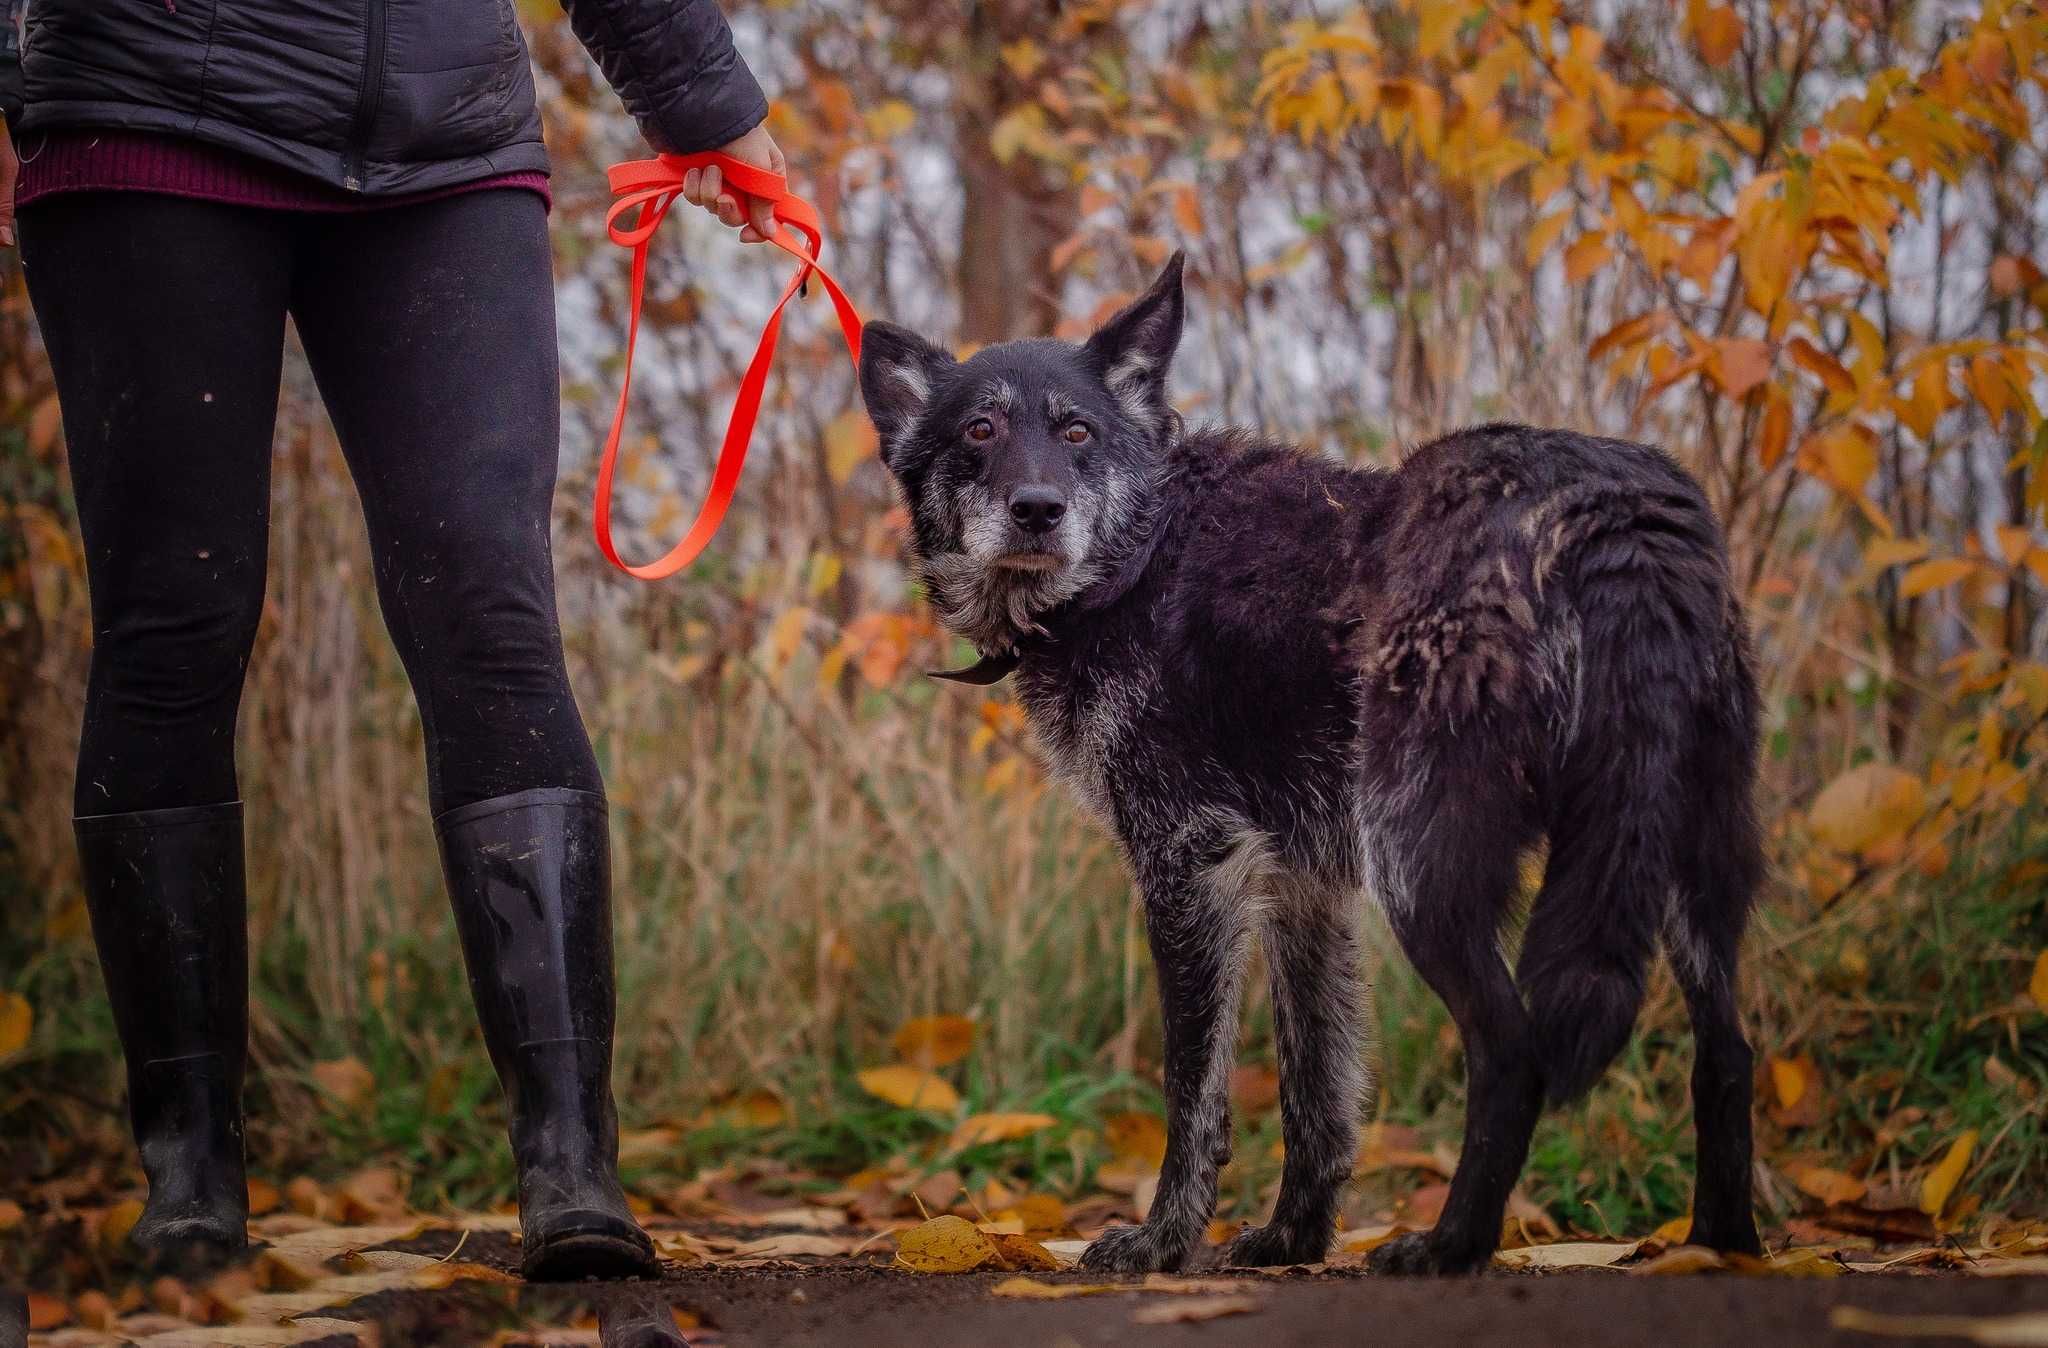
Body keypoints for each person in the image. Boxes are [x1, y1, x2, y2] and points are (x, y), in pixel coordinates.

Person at [0, 0, 779, 1281]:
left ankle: (572, 1162)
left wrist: (706, 106)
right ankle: (191, 1170)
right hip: (151, 114)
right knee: (175, 624)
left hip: (444, 140)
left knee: (491, 606)